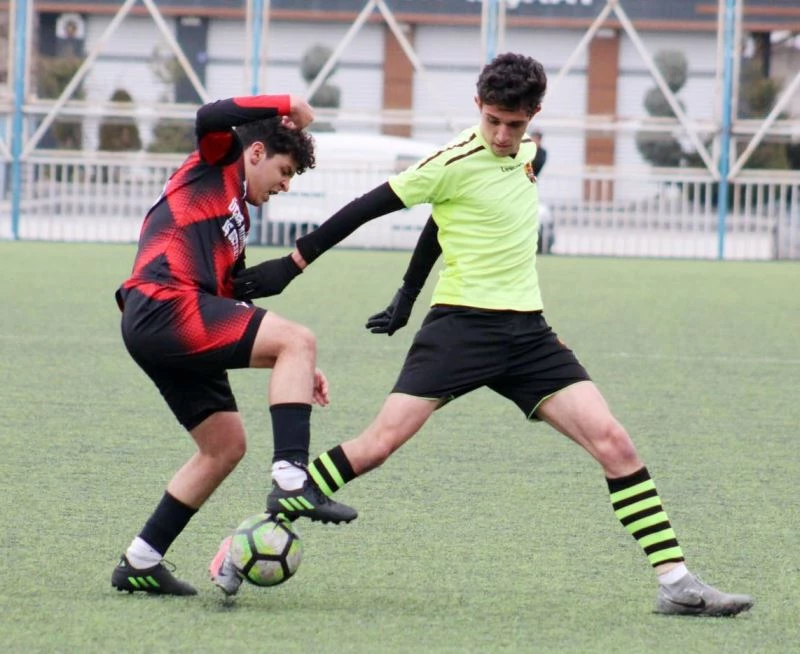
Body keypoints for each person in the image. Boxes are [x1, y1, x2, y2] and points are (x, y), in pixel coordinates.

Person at [245, 53, 755, 616]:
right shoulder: (452, 159)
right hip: (461, 329)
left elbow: (443, 220)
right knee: (378, 445)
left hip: (529, 335)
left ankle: (676, 584)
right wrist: (292, 265)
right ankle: (261, 525)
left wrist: (406, 293)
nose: (502, 135)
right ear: (477, 107)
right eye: (492, 121)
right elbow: (364, 208)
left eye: (515, 124)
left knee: (615, 443)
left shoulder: (529, 153)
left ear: (533, 115)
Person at [111, 93, 357, 598]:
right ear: (256, 152)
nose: (285, 185)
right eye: (284, 171)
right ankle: (292, 479)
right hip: (163, 304)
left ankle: (141, 560)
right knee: (298, 338)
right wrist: (288, 103)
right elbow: (209, 115)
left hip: (165, 320)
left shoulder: (236, 224)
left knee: (225, 447)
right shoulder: (217, 160)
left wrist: (296, 364)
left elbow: (232, 309)